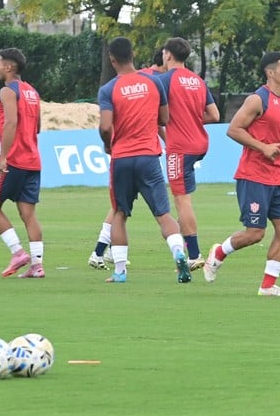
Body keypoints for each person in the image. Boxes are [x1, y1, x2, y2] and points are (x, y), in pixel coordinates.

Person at [204, 51, 280, 297]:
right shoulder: (257, 99)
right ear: (270, 72)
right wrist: (263, 148)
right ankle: (219, 252)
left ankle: (268, 286)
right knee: (255, 234)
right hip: (254, 176)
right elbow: (234, 129)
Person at [98, 36, 192, 284]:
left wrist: (108, 144)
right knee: (163, 214)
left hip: (122, 158)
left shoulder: (108, 89)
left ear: (112, 59)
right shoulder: (153, 82)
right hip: (149, 156)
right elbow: (165, 119)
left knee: (120, 214)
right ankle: (178, 252)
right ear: (133, 55)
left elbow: (105, 126)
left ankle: (120, 271)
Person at [88, 47, 167, 269]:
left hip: (126, 154)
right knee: (120, 209)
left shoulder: (145, 79)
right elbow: (156, 120)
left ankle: (101, 252)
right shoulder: (151, 80)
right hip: (137, 152)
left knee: (119, 207)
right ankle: (100, 252)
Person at [157, 37, 222, 269]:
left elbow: (155, 115)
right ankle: (183, 241)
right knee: (183, 200)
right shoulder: (197, 81)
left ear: (167, 55)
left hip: (180, 147)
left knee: (181, 201)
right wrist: (192, 120)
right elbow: (214, 115)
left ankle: (194, 255)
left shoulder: (164, 80)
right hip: (199, 143)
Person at [0, 48, 46, 279]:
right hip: (33, 160)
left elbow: (11, 123)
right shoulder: (32, 91)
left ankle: (18, 252)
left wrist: (3, 157)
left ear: (9, 67)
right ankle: (37, 266)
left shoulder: (7, 91)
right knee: (28, 214)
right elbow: (35, 127)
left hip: (13, 159)